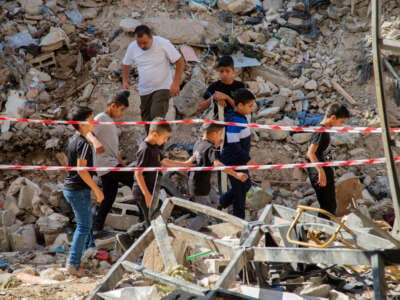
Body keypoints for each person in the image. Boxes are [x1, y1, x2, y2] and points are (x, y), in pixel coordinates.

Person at [116, 118, 194, 250]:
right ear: (154, 134)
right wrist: (147, 195)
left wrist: (184, 165)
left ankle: (129, 238)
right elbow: (138, 174)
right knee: (153, 223)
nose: (165, 141)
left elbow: (163, 161)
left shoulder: (154, 147)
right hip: (143, 192)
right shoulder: (145, 149)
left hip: (152, 190)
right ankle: (129, 238)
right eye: (165, 138)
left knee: (154, 220)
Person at [62, 106, 104, 276]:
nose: (94, 122)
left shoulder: (75, 139)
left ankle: (81, 259)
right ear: (82, 123)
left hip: (74, 189)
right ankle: (73, 264)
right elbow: (81, 170)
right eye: (91, 119)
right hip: (77, 190)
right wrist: (97, 190)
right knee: (84, 226)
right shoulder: (84, 143)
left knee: (84, 225)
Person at [85, 91, 135, 233]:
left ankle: (96, 228)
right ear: (113, 106)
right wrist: (95, 143)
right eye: (121, 110)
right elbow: (87, 132)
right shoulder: (101, 118)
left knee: (108, 199)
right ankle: (147, 218)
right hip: (107, 164)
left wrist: (123, 165)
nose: (122, 114)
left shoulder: (109, 122)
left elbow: (113, 150)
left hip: (109, 164)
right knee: (136, 182)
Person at [121, 25, 184, 132]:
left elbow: (179, 61)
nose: (141, 46)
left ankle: (158, 146)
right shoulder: (132, 47)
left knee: (156, 118)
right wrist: (125, 81)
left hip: (162, 87)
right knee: (147, 120)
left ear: (151, 37)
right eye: (139, 43)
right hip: (144, 90)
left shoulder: (163, 43)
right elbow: (126, 63)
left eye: (144, 43)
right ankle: (150, 145)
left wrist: (176, 83)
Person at [188, 123, 248, 230]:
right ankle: (186, 234)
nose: (220, 137)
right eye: (220, 134)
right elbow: (217, 164)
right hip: (200, 188)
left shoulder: (199, 143)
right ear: (215, 134)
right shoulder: (211, 148)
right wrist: (236, 174)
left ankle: (212, 226)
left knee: (216, 201)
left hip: (199, 183)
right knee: (203, 216)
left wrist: (215, 145)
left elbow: (205, 154)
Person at [306, 103, 350, 218]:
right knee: (327, 207)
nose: (341, 125)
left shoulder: (323, 130)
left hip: (324, 170)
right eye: (341, 122)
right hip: (319, 173)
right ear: (333, 118)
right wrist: (321, 172)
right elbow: (310, 153)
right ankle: (321, 232)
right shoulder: (320, 130)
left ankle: (323, 232)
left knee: (329, 206)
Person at [219, 88, 256, 219]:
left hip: (240, 159)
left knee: (245, 185)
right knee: (240, 194)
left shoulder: (241, 117)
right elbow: (234, 145)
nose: (252, 109)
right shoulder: (234, 121)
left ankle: (221, 202)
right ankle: (239, 222)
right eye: (250, 106)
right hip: (234, 160)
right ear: (240, 105)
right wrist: (247, 159)